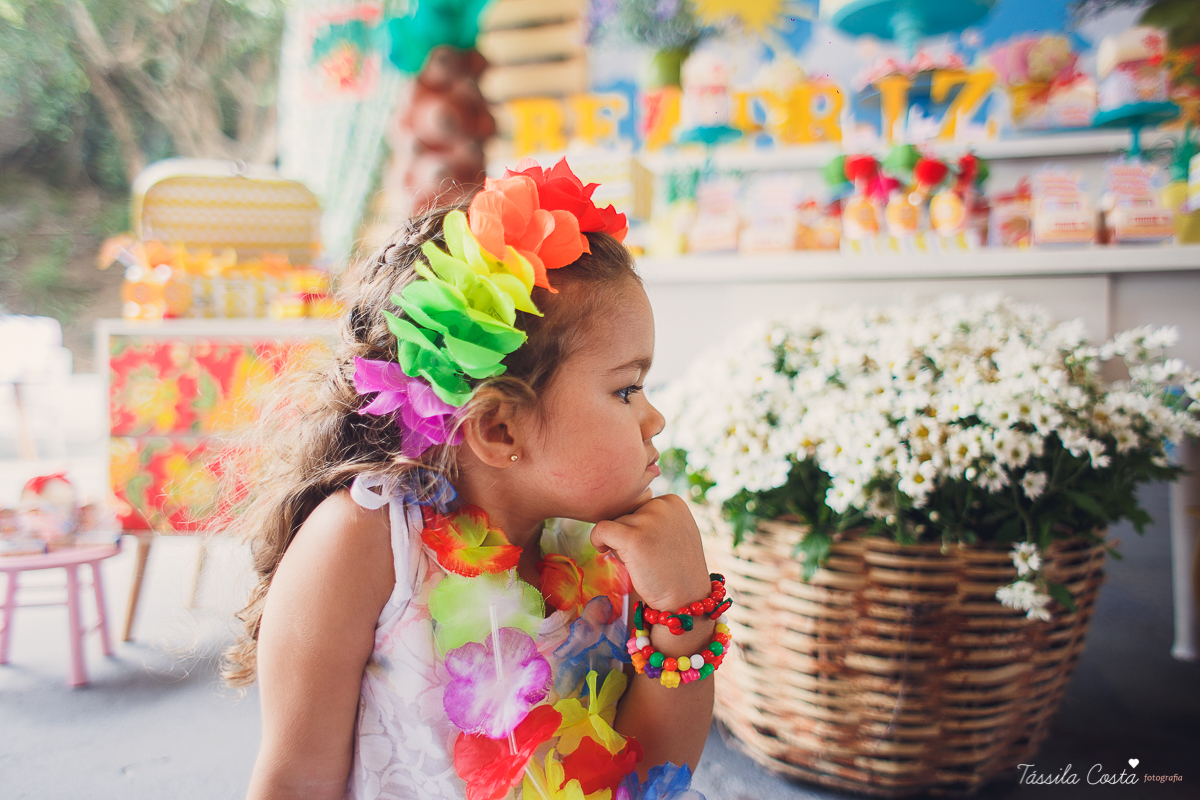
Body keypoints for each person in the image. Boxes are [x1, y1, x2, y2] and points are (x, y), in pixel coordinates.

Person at [225, 159, 728, 800]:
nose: (653, 417)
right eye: (626, 389)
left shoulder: (615, 545)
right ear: (499, 432)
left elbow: (655, 777)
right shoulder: (362, 544)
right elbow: (294, 780)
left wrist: (681, 612)